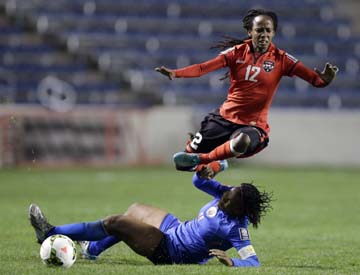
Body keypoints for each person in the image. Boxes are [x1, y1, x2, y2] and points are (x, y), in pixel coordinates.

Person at [155, 9, 339, 171]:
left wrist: (325, 80)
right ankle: (218, 163)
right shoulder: (236, 52)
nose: (264, 34)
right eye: (259, 30)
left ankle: (207, 159)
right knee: (181, 162)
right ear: (250, 31)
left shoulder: (283, 59)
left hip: (252, 125)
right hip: (223, 119)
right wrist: (176, 73)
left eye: (268, 30)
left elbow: (315, 80)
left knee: (241, 141)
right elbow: (204, 68)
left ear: (274, 33)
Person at [29, 161, 272, 267]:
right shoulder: (226, 195)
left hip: (172, 251)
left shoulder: (236, 229)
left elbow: (253, 262)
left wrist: (232, 262)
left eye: (228, 200)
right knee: (134, 209)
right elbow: (198, 181)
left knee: (116, 223)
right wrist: (208, 169)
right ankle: (92, 250)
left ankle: (49, 233)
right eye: (226, 194)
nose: (223, 198)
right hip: (175, 228)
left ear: (240, 210)